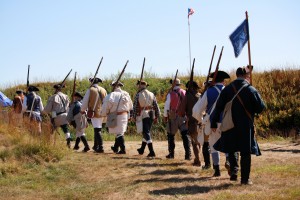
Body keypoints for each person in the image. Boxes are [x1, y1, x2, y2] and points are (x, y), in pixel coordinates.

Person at [211, 66, 265, 185]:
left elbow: (218, 107)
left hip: (230, 124)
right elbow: (260, 108)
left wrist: (213, 122)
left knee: (232, 149)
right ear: (245, 76)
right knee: (245, 152)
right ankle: (245, 179)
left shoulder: (228, 89)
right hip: (245, 125)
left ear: (236, 75)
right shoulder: (251, 89)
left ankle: (234, 173)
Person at [192, 70, 230, 177]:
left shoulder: (209, 91)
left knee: (213, 145)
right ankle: (228, 161)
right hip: (228, 123)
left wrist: (201, 120)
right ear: (223, 81)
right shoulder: (228, 91)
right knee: (228, 144)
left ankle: (217, 170)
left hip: (213, 123)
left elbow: (196, 110)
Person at [100, 81, 133, 154]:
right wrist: (129, 115)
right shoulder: (126, 94)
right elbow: (130, 106)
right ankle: (115, 147)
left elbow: (106, 107)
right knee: (120, 132)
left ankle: (123, 150)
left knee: (119, 133)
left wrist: (103, 114)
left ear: (113, 86)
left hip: (115, 116)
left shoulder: (110, 95)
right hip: (125, 115)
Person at [163, 78, 191, 160]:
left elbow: (167, 107)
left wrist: (165, 116)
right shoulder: (184, 92)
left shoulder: (170, 94)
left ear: (173, 84)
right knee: (185, 136)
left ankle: (171, 154)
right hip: (183, 116)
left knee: (171, 136)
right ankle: (188, 155)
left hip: (173, 116)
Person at [132, 80, 160, 157]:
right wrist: (157, 116)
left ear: (140, 86)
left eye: (138, 85)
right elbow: (156, 106)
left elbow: (135, 107)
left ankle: (152, 151)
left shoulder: (138, 95)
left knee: (146, 132)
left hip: (143, 114)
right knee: (146, 132)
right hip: (151, 114)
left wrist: (133, 116)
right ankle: (141, 149)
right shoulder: (152, 94)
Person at [178, 81, 202, 165]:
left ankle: (198, 159)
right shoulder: (200, 96)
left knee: (194, 142)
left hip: (192, 121)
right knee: (198, 141)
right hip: (201, 121)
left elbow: (180, 112)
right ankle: (197, 158)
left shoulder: (187, 96)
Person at [81, 77, 107, 153]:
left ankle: (101, 147)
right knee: (98, 129)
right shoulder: (103, 90)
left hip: (94, 112)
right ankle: (96, 146)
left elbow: (85, 101)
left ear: (91, 82)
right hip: (102, 112)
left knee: (97, 129)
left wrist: (82, 110)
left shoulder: (90, 90)